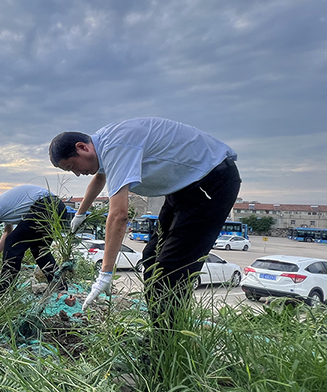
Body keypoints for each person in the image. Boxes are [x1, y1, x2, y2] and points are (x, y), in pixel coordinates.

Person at [49, 118, 240, 325]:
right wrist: (80, 214)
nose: (77, 174)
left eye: (72, 166)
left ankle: (166, 346)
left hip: (211, 182)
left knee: (170, 273)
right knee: (150, 257)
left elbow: (119, 216)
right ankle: (161, 334)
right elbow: (99, 178)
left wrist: (105, 273)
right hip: (184, 188)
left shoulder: (115, 146)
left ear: (82, 147)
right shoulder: (104, 143)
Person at [0, 184, 66, 291]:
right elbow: (7, 233)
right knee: (39, 250)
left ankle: (6, 289)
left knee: (14, 243)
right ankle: (60, 286)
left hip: (44, 205)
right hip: (58, 207)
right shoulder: (4, 206)